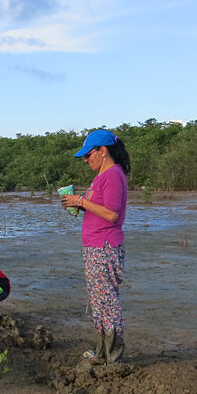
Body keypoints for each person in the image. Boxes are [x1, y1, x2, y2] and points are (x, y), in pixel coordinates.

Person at [61, 129, 130, 364]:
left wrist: (80, 201)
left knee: (107, 302)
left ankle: (114, 357)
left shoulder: (112, 175)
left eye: (88, 155)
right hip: (95, 247)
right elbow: (100, 208)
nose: (86, 160)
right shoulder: (102, 175)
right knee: (99, 302)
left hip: (105, 247)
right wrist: (80, 205)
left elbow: (111, 214)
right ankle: (102, 353)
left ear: (103, 151)